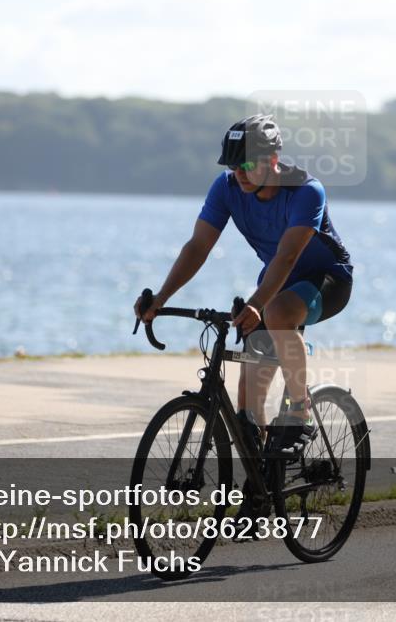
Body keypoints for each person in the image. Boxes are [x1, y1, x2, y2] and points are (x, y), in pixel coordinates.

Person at [135, 114, 353, 456]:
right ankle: (259, 486)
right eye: (233, 164)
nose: (239, 172)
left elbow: (287, 256)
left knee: (278, 312)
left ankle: (300, 410)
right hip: (275, 284)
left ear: (274, 161)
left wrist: (256, 304)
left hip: (326, 280)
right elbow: (197, 247)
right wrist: (161, 297)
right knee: (248, 400)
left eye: (248, 164)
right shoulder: (227, 187)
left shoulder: (306, 191)